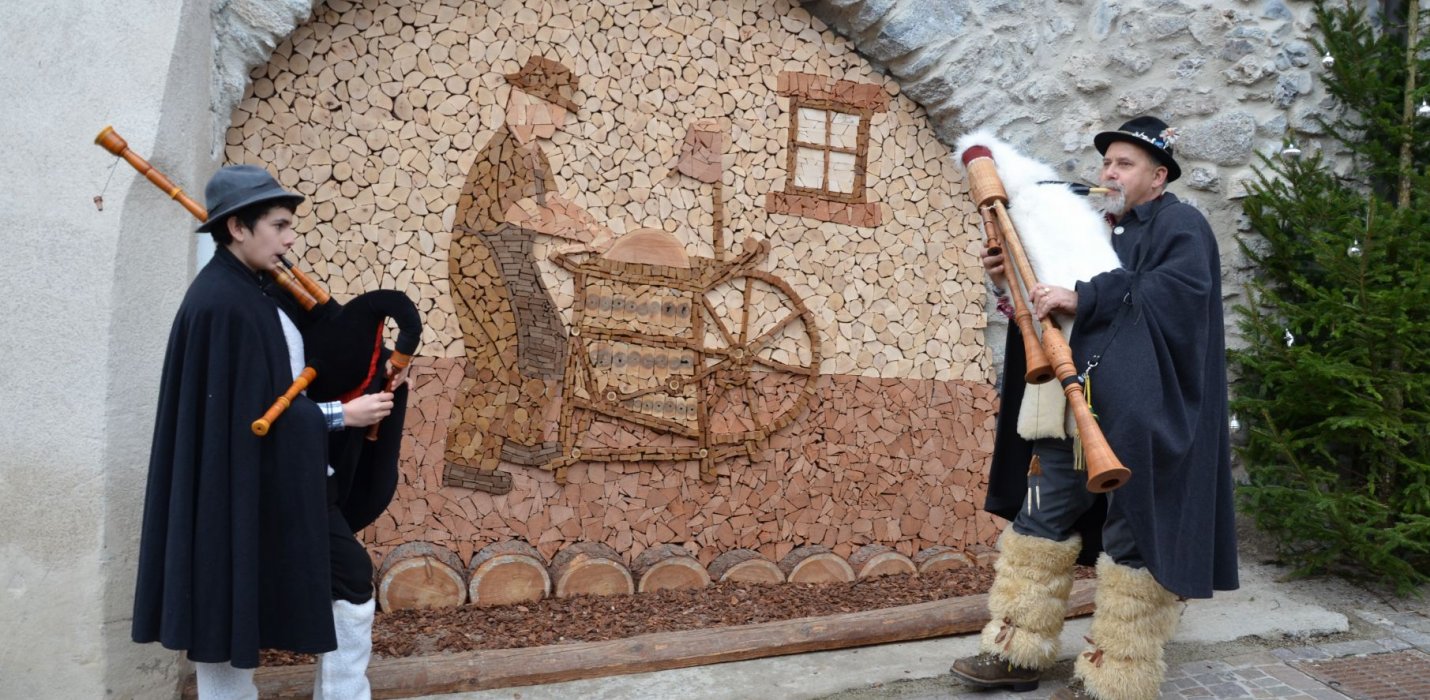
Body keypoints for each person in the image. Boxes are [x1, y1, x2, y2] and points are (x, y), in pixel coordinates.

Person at [950, 116, 1239, 700]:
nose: (1110, 172)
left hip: (1140, 415)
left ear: (1158, 178)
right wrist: (1015, 280)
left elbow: (1173, 296)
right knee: (1040, 519)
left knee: (1133, 536)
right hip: (1068, 407)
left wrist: (1085, 295)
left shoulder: (1182, 224)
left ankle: (1117, 679)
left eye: (1125, 164)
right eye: (1107, 162)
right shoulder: (1095, 226)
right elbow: (1052, 316)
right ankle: (1015, 651)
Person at [131, 165, 398, 699]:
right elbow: (250, 417)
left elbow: (288, 381)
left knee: (332, 582)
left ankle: (342, 694)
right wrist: (341, 417)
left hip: (276, 483)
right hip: (248, 486)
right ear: (237, 228)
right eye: (279, 224)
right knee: (232, 596)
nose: (290, 237)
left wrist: (372, 364)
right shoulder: (222, 306)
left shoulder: (251, 293)